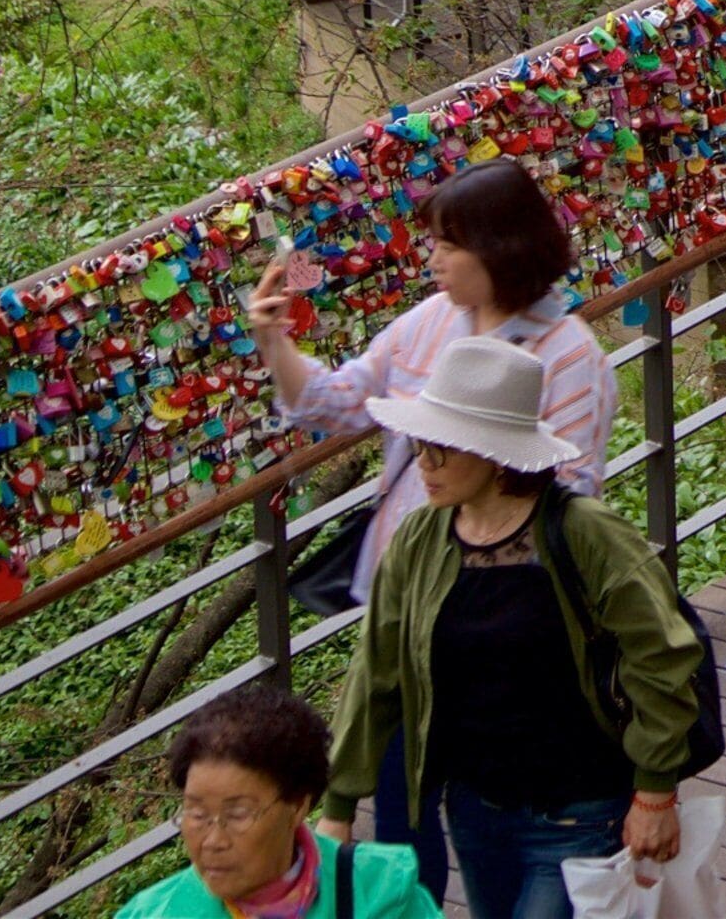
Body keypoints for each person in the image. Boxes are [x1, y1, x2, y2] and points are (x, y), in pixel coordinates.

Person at [248, 159, 609, 892]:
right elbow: (337, 403)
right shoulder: (426, 323)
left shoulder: (569, 356)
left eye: (449, 243)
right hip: (403, 612)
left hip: (498, 628)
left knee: (487, 806)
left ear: (500, 247)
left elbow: (568, 496)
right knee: (403, 813)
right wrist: (273, 341)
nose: (433, 259)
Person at [322, 337, 708, 919]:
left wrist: (655, 787)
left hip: (579, 809)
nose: (422, 463)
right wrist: (339, 803)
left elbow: (662, 651)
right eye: (418, 445)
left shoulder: (584, 534)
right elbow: (377, 671)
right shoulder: (421, 540)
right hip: (477, 810)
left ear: (495, 454)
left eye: (440, 449)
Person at [128, 686, 439, 919]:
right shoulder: (157, 912)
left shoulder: (380, 896)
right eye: (197, 813)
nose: (213, 841)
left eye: (237, 814)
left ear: (297, 806)